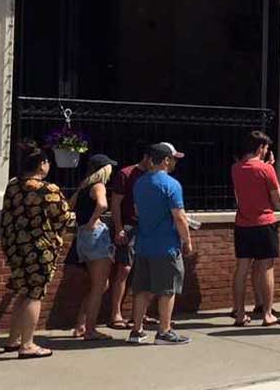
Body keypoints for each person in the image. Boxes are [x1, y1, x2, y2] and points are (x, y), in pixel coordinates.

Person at [0, 141, 74, 359]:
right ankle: (28, 344)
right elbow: (64, 216)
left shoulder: (13, 185)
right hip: (39, 247)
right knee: (34, 294)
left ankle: (13, 339)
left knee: (22, 291)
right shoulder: (47, 189)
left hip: (15, 247)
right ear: (42, 164)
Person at [126, 143, 194, 345]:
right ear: (165, 160)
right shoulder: (172, 185)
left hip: (144, 244)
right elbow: (179, 217)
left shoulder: (139, 183)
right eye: (173, 159)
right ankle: (164, 331)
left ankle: (136, 331)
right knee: (167, 290)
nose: (174, 162)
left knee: (142, 290)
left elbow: (138, 211)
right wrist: (187, 241)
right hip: (165, 246)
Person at [230, 131, 280, 327]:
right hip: (264, 223)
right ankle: (267, 314)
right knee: (266, 268)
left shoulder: (235, 168)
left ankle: (239, 313)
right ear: (260, 147)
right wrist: (269, 168)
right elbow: (277, 200)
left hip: (242, 224)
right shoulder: (267, 170)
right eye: (266, 148)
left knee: (242, 269)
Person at [70, 153, 118, 341]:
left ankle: (81, 325)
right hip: (95, 235)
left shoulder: (82, 188)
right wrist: (93, 221)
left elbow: (68, 206)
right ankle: (90, 329)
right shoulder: (99, 186)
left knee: (98, 285)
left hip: (82, 235)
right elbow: (103, 204)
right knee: (99, 286)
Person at [105, 151, 152, 330]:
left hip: (147, 228)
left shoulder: (154, 176)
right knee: (124, 269)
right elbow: (115, 203)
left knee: (144, 270)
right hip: (129, 226)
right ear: (146, 157)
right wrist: (119, 228)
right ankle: (115, 314)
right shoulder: (126, 174)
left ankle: (139, 314)